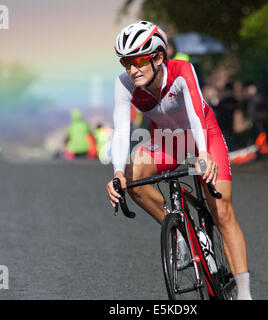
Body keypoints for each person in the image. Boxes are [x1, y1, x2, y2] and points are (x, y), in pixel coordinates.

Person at [106, 21, 251, 300]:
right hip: (167, 141)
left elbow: (197, 113)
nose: (132, 70)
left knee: (222, 212)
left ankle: (245, 294)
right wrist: (117, 173)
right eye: (126, 63)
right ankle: (181, 233)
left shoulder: (182, 71)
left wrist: (204, 154)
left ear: (158, 57)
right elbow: (122, 130)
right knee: (133, 176)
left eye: (137, 60)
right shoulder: (124, 84)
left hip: (203, 135)